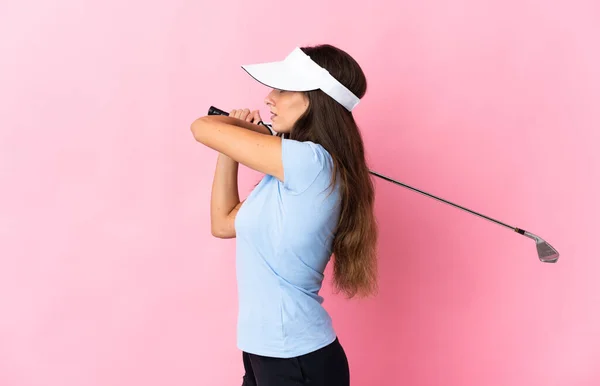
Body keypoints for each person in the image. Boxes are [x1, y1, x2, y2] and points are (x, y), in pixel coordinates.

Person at [190, 44, 378, 386]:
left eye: (283, 89)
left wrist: (240, 128)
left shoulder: (311, 162)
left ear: (315, 99)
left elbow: (203, 127)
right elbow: (222, 223)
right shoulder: (289, 173)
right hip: (265, 352)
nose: (269, 99)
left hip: (295, 357)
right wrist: (234, 145)